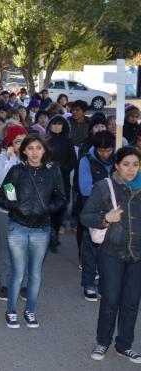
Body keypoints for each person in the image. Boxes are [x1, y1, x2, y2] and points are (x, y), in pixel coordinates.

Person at [0, 135, 66, 328]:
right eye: (31, 148)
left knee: (35, 273)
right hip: (17, 226)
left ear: (44, 150)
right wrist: (13, 204)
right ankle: (11, 310)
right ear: (24, 151)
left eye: (38, 148)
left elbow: (62, 199)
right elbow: (3, 195)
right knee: (17, 271)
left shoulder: (53, 172)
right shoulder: (17, 171)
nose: (35, 152)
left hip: (41, 228)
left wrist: (47, 209)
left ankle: (30, 310)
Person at [81, 146, 141, 363]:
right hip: (111, 253)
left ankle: (124, 345)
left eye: (135, 164)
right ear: (117, 166)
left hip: (138, 256)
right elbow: (85, 216)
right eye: (126, 164)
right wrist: (105, 218)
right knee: (110, 300)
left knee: (132, 302)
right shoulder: (104, 188)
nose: (131, 169)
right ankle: (103, 341)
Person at [0, 124, 28, 301]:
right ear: (10, 144)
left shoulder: (33, 158)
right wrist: (11, 159)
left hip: (27, 212)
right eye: (17, 141)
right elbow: (5, 182)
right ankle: (4, 282)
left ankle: (24, 283)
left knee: (25, 248)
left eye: (24, 140)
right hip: (5, 211)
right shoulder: (1, 159)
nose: (22, 145)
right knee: (6, 247)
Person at [77, 131, 115, 301]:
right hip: (93, 212)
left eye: (108, 150)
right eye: (101, 150)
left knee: (110, 252)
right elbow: (85, 188)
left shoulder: (119, 159)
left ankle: (105, 285)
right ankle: (89, 284)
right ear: (95, 148)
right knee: (91, 250)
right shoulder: (86, 161)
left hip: (115, 213)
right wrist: (109, 190)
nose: (105, 154)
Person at [45, 115, 77, 253]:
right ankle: (48, 234)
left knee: (60, 207)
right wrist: (50, 167)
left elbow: (73, 160)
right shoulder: (45, 141)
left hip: (63, 179)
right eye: (54, 124)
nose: (57, 126)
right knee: (47, 207)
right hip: (47, 179)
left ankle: (55, 233)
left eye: (60, 124)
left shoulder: (68, 141)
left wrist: (63, 168)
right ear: (50, 126)